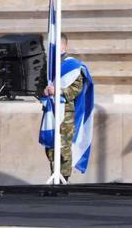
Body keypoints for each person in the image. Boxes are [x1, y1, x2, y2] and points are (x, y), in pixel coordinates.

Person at [40, 33, 94, 181]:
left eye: (57, 45)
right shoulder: (49, 67)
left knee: (64, 148)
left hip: (66, 113)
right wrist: (43, 92)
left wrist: (58, 91)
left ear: (64, 46)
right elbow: (39, 87)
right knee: (51, 146)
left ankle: (64, 179)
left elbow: (75, 90)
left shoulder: (73, 66)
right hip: (51, 112)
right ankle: (54, 177)